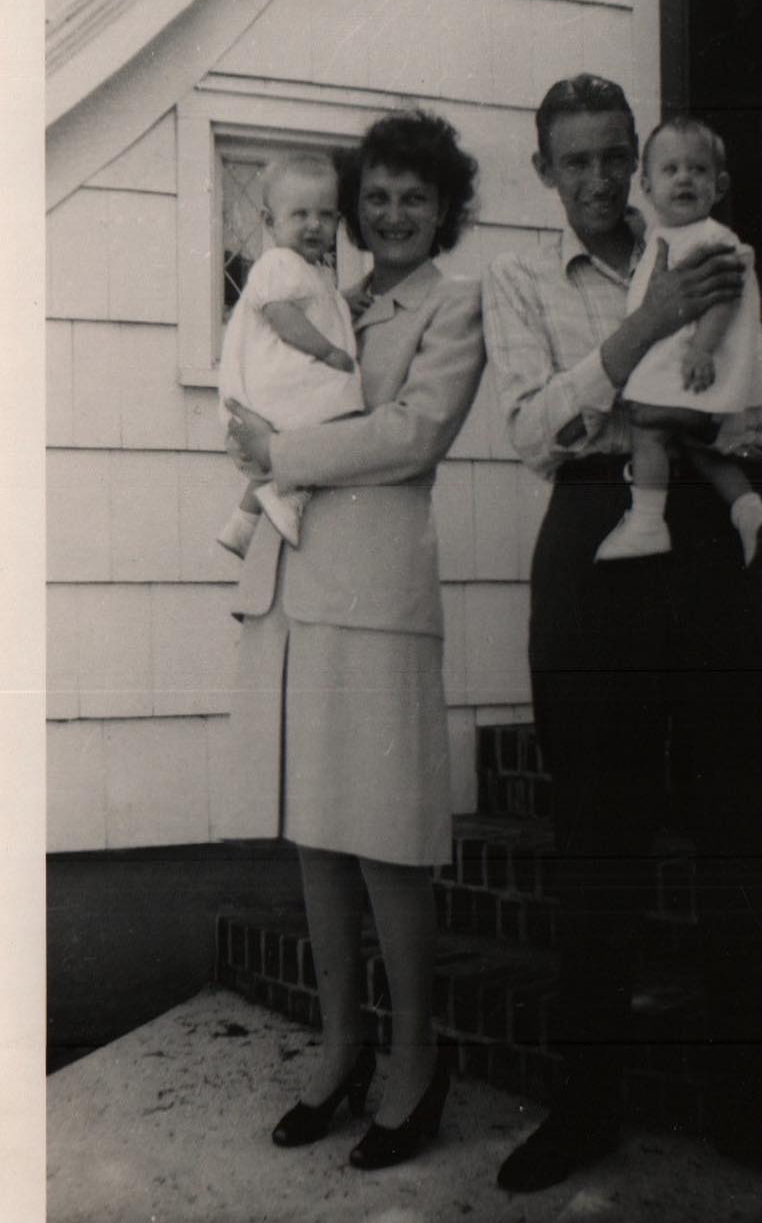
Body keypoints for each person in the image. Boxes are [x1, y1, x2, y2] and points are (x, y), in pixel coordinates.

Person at [482, 74, 762, 1198]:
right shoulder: (518, 278)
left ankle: (754, 1107)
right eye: (576, 161)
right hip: (594, 536)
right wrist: (647, 330)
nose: (599, 180)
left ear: (638, 158)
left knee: (737, 827)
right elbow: (533, 430)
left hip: (704, 536)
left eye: (613, 156)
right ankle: (585, 1104)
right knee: (596, 832)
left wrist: (732, 416)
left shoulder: (705, 244)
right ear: (545, 172)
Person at [220, 110, 484, 1171]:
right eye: (375, 195)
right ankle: (341, 1051)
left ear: (445, 208)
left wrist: (281, 446)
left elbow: (411, 433)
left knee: (387, 836)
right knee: (316, 832)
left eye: (414, 196)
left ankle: (416, 1060)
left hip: (375, 602)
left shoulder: (451, 308)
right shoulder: (322, 287)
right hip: (295, 585)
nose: (390, 213)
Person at [594, 114, 762, 566]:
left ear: (719, 187)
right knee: (697, 450)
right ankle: (750, 512)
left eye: (697, 170)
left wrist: (701, 348)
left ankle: (646, 523)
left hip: (699, 363)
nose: (684, 179)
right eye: (670, 170)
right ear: (647, 185)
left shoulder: (712, 238)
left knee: (649, 430)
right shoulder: (665, 237)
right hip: (690, 367)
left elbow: (723, 298)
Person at [216, 152, 366, 558]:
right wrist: (329, 351)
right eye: (299, 214)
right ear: (269, 222)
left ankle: (244, 523)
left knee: (309, 431)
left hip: (269, 388)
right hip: (271, 381)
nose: (314, 224)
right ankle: (288, 495)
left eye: (325, 214)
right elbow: (283, 317)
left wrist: (345, 302)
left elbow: (316, 304)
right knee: (340, 412)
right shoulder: (279, 262)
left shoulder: (312, 270)